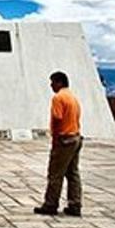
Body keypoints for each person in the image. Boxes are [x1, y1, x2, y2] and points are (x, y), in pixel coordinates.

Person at [34, 71, 83, 217]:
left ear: (60, 82)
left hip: (64, 139)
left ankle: (50, 204)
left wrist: (55, 138)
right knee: (73, 174)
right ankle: (75, 204)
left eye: (53, 82)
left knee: (55, 173)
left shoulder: (58, 97)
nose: (51, 85)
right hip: (76, 137)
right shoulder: (73, 98)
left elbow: (57, 118)